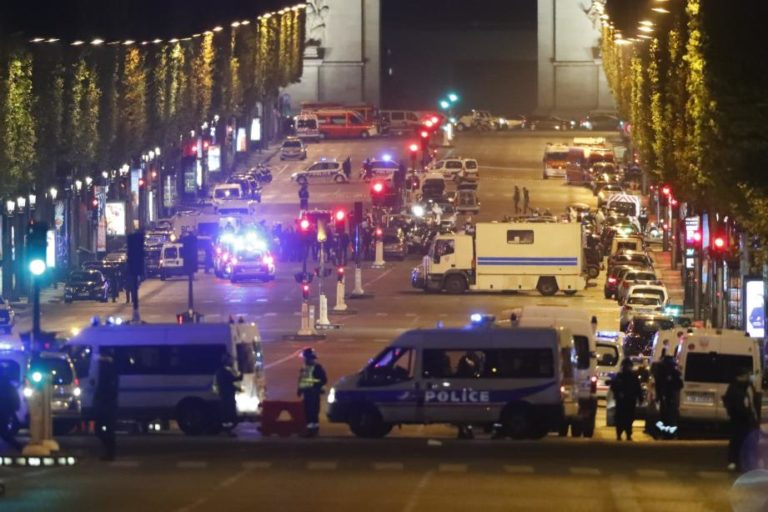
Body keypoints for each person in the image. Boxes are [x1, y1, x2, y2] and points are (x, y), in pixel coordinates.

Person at [722, 367, 760, 471]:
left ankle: (746, 461)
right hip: (738, 419)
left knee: (749, 440)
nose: (749, 377)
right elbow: (732, 403)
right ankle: (734, 461)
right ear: (741, 376)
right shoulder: (735, 387)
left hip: (749, 418)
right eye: (747, 375)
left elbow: (753, 402)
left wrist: (754, 415)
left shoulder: (748, 386)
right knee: (737, 439)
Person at [93, 349, 119, 460]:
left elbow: (107, 391)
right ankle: (110, 451)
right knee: (104, 430)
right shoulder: (110, 372)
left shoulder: (107, 374)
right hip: (107, 406)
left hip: (106, 406)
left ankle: (110, 452)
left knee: (103, 430)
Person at [297, 348, 327, 437]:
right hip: (307, 392)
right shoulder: (305, 367)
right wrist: (300, 389)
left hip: (313, 392)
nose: (304, 359)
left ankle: (312, 430)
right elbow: (302, 379)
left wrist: (315, 386)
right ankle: (312, 429)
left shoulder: (317, 367)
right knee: (308, 411)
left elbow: (323, 380)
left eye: (305, 357)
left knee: (312, 411)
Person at [610, 359, 642, 441]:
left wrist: (639, 398)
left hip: (626, 401)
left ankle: (624, 434)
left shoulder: (622, 376)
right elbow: (638, 388)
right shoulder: (627, 376)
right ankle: (624, 434)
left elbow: (613, 387)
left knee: (624, 418)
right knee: (626, 418)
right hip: (627, 401)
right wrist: (640, 398)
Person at [215, 353, 243, 436]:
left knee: (227, 414)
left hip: (225, 396)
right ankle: (228, 431)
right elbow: (234, 379)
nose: (231, 362)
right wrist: (242, 373)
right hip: (227, 397)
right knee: (229, 414)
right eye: (230, 360)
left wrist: (236, 388)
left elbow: (227, 383)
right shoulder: (224, 372)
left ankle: (227, 430)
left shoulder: (220, 371)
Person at [654, 355, 683, 435]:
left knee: (663, 415)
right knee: (670, 415)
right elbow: (680, 384)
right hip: (670, 397)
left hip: (664, 397)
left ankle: (663, 432)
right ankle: (669, 432)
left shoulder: (660, 373)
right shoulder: (673, 372)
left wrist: (658, 396)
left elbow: (658, 386)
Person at [0, 369, 22, 451]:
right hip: (6, 411)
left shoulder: (4, 385)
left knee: (3, 433)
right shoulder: (9, 385)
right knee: (4, 432)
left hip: (3, 411)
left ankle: (20, 447)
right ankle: (20, 447)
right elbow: (15, 399)